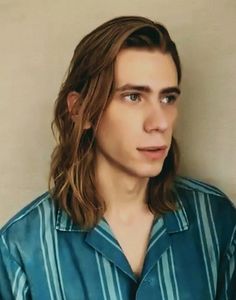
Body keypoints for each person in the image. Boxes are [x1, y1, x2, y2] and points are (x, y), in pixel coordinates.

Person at [0, 15, 235, 300]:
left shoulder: (216, 220)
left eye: (168, 98)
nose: (159, 122)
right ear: (81, 111)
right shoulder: (20, 250)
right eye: (133, 97)